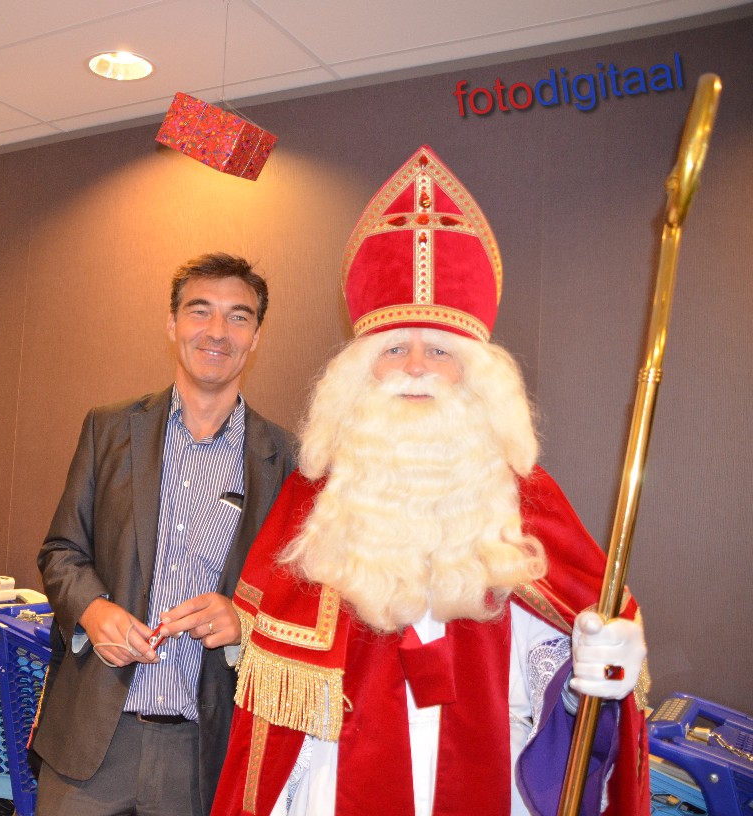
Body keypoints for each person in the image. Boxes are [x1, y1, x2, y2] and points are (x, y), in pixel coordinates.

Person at [210, 146, 649, 816]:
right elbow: (273, 709)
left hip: (491, 775)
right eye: (394, 348)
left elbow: (571, 668)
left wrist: (595, 670)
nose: (415, 365)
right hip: (338, 777)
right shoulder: (314, 501)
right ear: (360, 372)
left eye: (439, 349)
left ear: (475, 374)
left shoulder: (524, 501)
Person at [34, 252, 297, 816]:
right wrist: (92, 611)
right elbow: (61, 551)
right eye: (200, 311)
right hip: (93, 741)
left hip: (203, 753)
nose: (217, 331)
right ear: (172, 324)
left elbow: (300, 600)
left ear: (256, 337)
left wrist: (244, 622)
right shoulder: (108, 429)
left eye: (238, 317)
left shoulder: (286, 460)